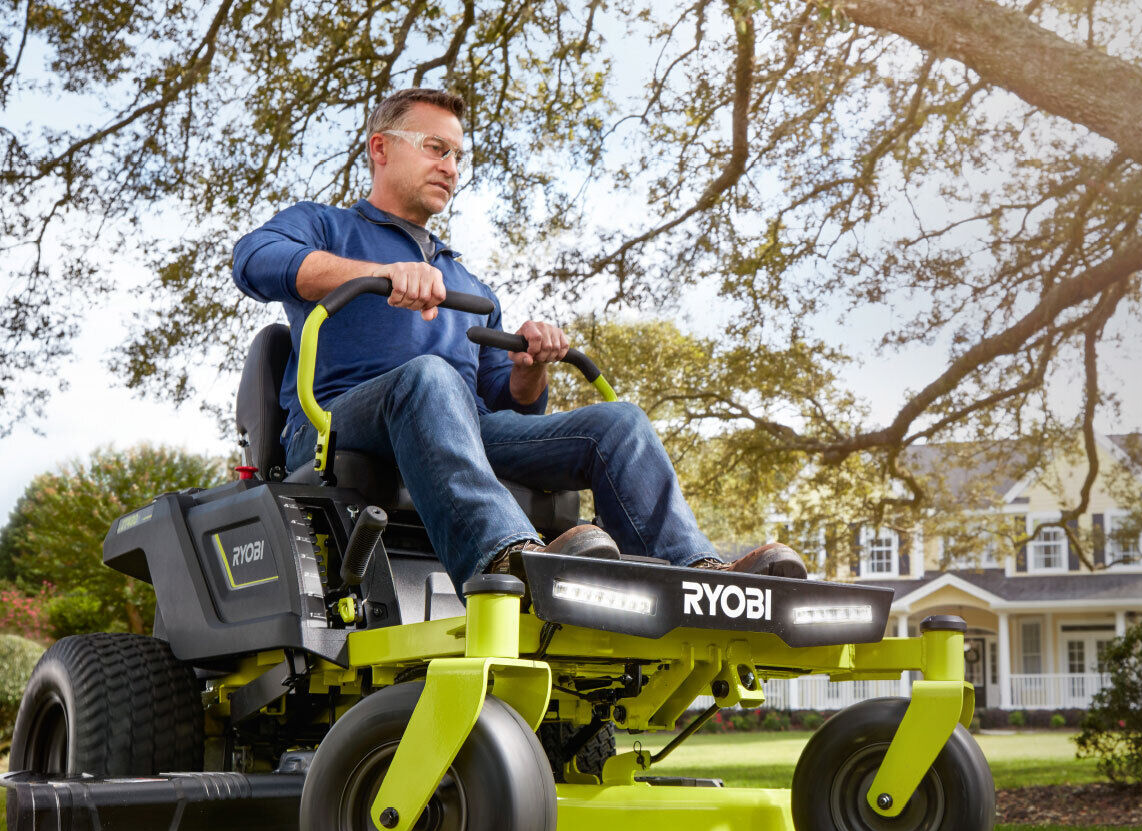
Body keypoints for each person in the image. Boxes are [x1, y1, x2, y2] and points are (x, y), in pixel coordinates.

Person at [231, 88, 804, 585]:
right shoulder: (325, 225)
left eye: (457, 155)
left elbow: (508, 401)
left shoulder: (467, 283)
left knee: (619, 422)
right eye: (436, 148)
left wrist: (532, 366)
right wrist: (373, 276)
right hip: (336, 424)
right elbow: (254, 260)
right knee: (430, 380)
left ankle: (692, 571)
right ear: (381, 148)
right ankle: (505, 559)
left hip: (462, 424)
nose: (451, 167)